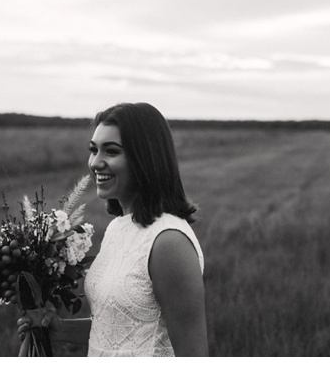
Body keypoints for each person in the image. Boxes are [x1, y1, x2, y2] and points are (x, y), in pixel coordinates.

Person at [16, 102, 208, 356]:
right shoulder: (118, 228)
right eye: (93, 150)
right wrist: (59, 329)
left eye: (111, 151)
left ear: (145, 158)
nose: (95, 162)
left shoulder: (168, 242)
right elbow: (117, 329)